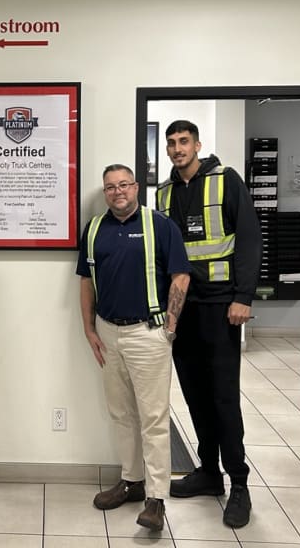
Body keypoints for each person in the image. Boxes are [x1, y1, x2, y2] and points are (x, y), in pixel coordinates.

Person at [155, 120, 262, 528]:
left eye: (184, 141)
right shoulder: (163, 194)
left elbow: (250, 238)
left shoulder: (225, 180)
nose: (178, 148)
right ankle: (208, 473)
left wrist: (243, 297)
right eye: (172, 143)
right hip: (184, 311)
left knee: (222, 397)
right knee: (195, 395)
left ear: (197, 145)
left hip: (221, 306)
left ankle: (239, 483)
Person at [77, 164, 191, 532]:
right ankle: (132, 481)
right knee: (121, 414)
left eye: (123, 184)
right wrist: (89, 329)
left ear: (136, 187)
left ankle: (156, 499)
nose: (117, 191)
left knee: (154, 419)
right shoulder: (94, 230)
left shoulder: (160, 226)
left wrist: (170, 327)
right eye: (110, 187)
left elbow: (181, 275)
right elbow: (85, 282)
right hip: (109, 334)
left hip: (149, 335)